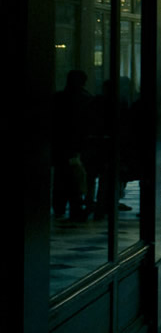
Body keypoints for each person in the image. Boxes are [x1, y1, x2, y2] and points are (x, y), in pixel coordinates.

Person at [51, 69, 91, 221]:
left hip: (60, 144)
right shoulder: (85, 99)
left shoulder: (58, 98)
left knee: (61, 177)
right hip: (76, 144)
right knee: (75, 178)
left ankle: (59, 205)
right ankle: (75, 207)